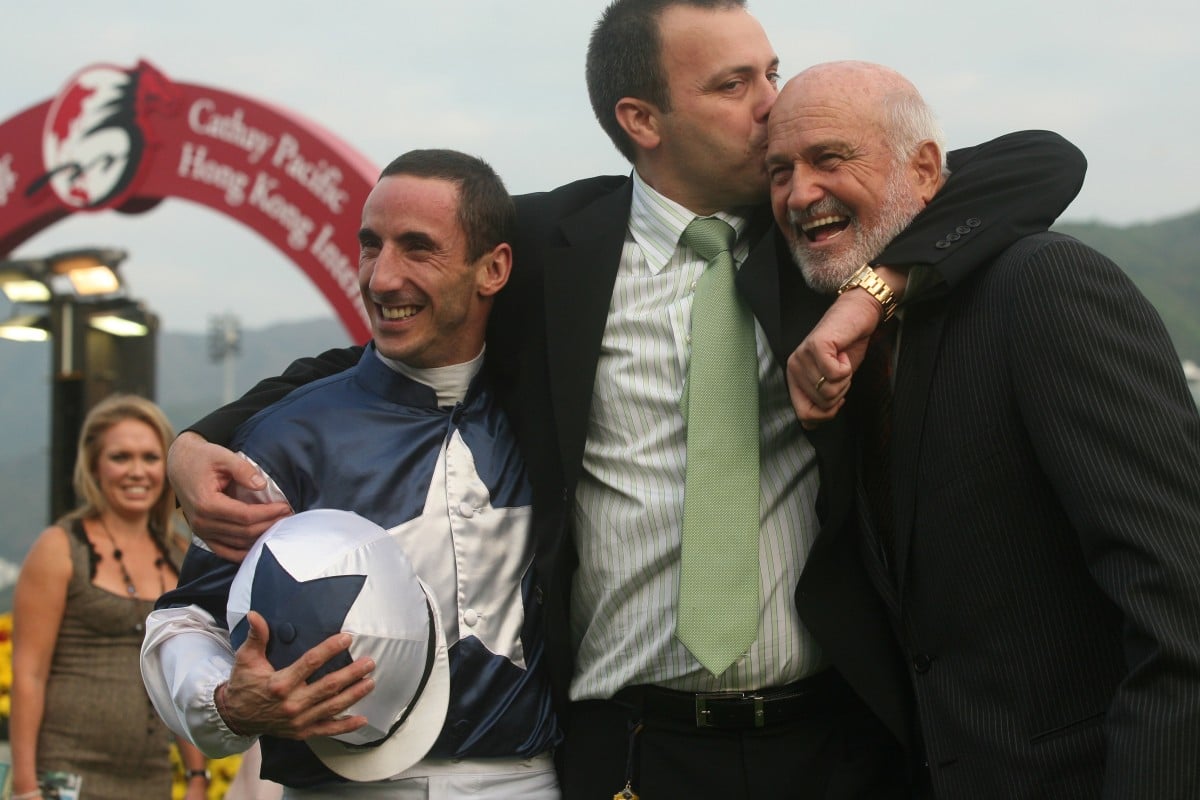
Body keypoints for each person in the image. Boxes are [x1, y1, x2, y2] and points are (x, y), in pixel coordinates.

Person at [164, 3, 1086, 797]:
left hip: (835, 737)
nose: (773, 105)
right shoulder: (546, 247)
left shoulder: (817, 229)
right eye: (735, 86)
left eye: (772, 70)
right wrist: (194, 442)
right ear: (642, 117)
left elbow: (1044, 162)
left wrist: (867, 293)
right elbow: (393, 332)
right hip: (626, 748)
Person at [768, 60, 1200, 799]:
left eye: (829, 158)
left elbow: (1179, 597)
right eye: (778, 170)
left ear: (928, 171)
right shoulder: (847, 337)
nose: (799, 192)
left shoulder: (1043, 286)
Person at [141, 149, 560, 798]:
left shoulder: (554, 406)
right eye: (371, 246)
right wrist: (223, 701)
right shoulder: (289, 434)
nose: (382, 277)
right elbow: (185, 618)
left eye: (418, 248)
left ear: (494, 268)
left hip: (532, 779)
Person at [9, 394, 209, 800]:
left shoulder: (180, 556)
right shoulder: (61, 548)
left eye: (150, 458)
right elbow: (28, 676)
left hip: (150, 780)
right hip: (65, 776)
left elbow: (182, 678)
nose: (137, 471)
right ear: (95, 467)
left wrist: (196, 777)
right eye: (121, 457)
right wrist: (26, 787)